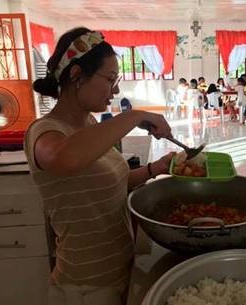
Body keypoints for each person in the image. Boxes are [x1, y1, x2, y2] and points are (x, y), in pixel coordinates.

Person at [24, 27, 174, 305]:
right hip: (83, 288)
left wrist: (157, 168)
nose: (115, 90)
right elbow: (64, 158)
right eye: (110, 79)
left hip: (120, 273)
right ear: (76, 75)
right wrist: (134, 115)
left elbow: (113, 182)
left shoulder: (90, 125)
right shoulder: (44, 132)